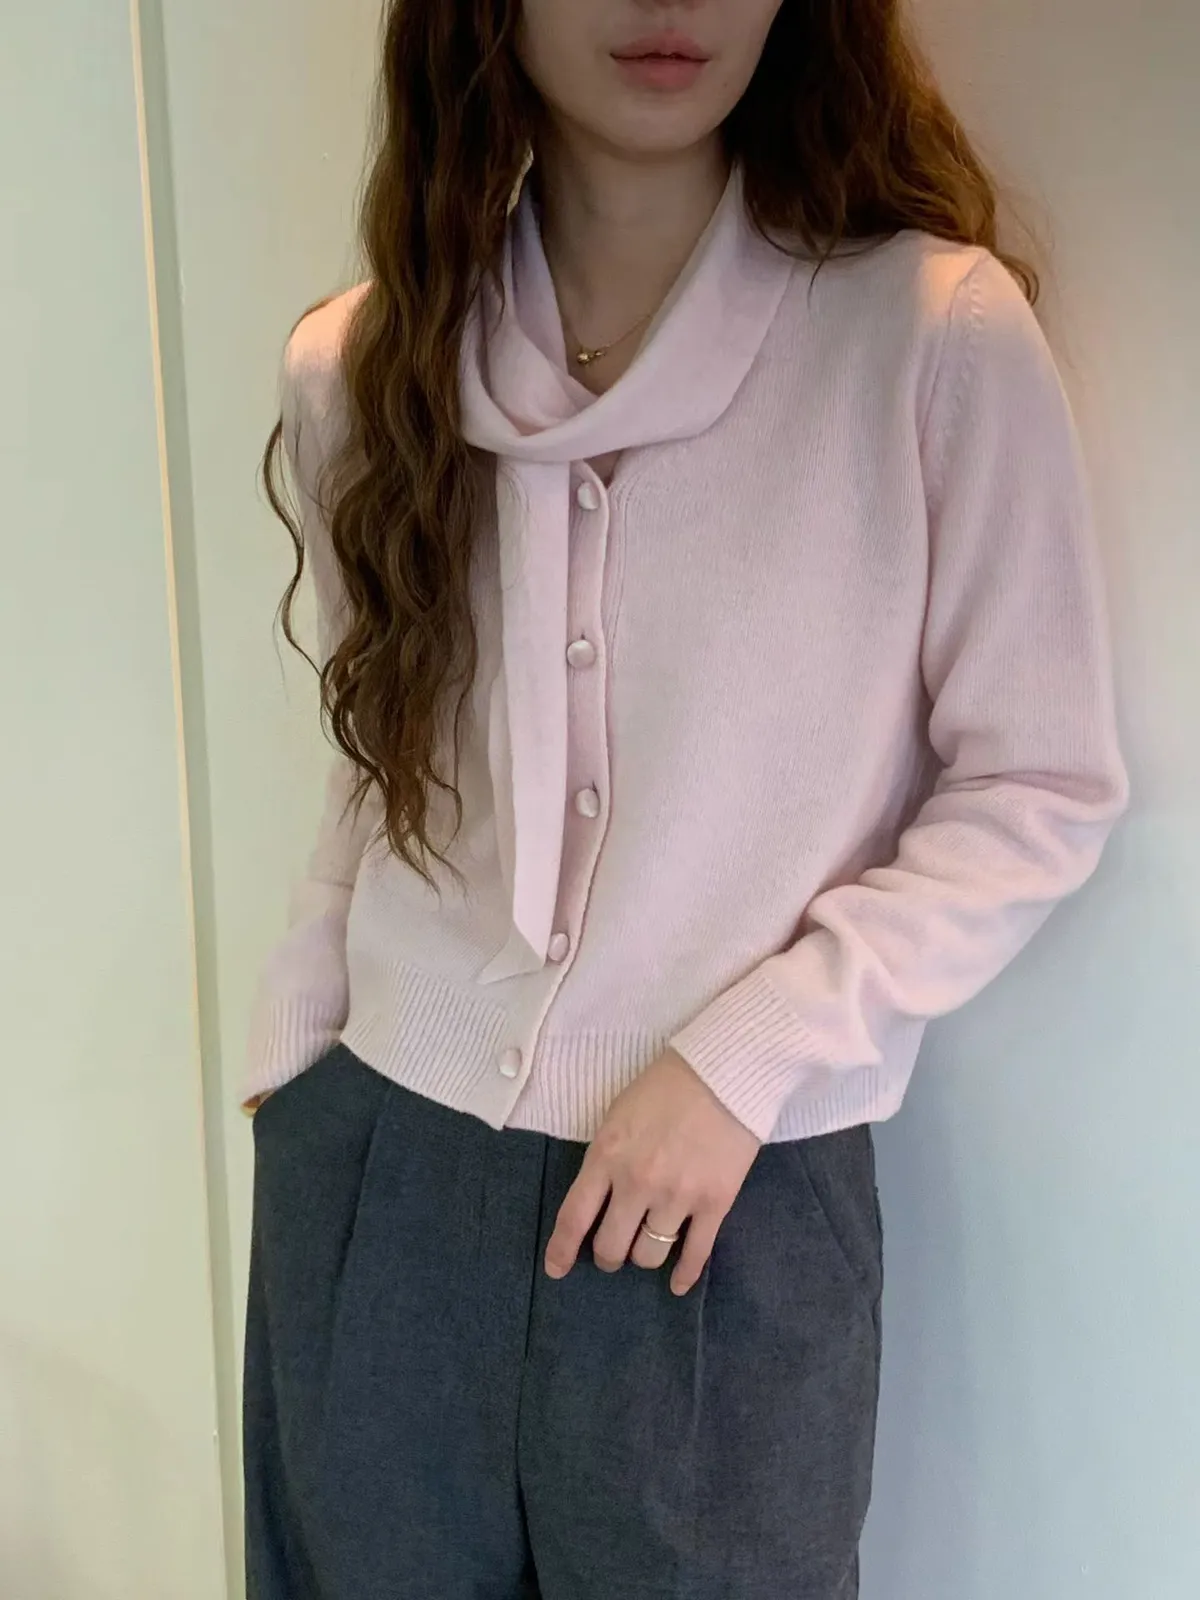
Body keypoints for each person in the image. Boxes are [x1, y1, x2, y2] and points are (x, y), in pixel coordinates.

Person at [241, 2, 1128, 1596]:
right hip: (382, 1174)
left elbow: (1040, 781)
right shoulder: (361, 367)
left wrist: (749, 1058)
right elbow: (382, 758)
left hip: (727, 1204)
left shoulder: (929, 339)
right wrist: (301, 1058)